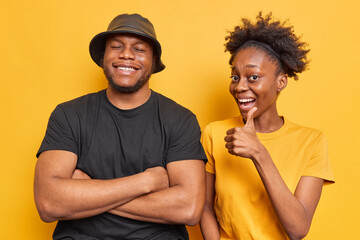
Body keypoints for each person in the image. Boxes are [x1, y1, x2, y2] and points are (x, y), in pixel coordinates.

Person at [34, 13, 206, 240]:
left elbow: (189, 209)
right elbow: (48, 203)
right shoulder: (69, 115)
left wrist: (90, 191)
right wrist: (145, 182)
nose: (126, 55)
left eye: (139, 49)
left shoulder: (180, 120)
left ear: (153, 60)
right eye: (116, 47)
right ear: (103, 56)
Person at [200, 12, 334, 240]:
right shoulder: (214, 133)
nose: (240, 86)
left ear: (281, 82)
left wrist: (259, 152)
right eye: (235, 77)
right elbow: (204, 208)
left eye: (253, 77)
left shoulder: (312, 141)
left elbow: (298, 229)